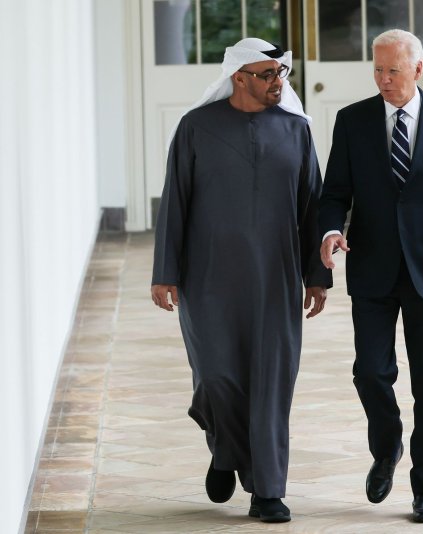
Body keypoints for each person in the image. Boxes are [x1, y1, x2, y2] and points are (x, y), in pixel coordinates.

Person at [151, 37, 331, 524]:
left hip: (276, 277)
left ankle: (267, 490)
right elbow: (176, 204)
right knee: (217, 376)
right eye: (267, 74)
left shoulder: (296, 131)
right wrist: (165, 272)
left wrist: (316, 278)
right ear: (239, 78)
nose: (278, 82)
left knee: (271, 382)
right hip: (206, 277)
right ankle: (224, 446)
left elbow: (313, 207)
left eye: (281, 75)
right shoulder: (196, 128)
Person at [318, 29, 423, 523]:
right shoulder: (352, 122)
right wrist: (331, 230)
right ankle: (387, 446)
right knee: (370, 372)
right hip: (371, 267)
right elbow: (334, 193)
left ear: (418, 69)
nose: (384, 79)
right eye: (377, 70)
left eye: (393, 70)